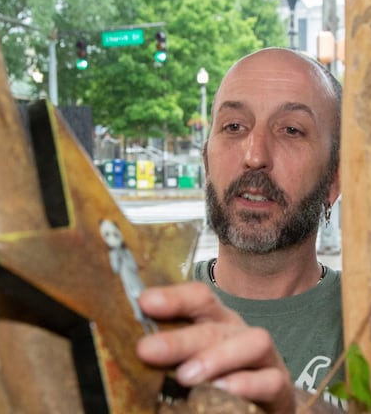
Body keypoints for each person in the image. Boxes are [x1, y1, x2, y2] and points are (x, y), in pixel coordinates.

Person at [136, 47, 345, 413]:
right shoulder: (142, 310)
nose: (255, 154)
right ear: (206, 163)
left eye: (291, 130)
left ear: (335, 179)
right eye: (234, 126)